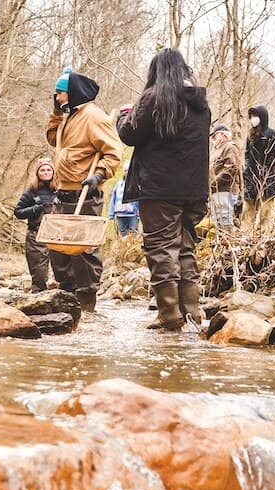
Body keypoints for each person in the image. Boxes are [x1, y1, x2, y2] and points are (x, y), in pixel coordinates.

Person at [116, 48, 211, 331]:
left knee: (161, 249)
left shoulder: (154, 98)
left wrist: (123, 116)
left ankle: (169, 314)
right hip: (194, 190)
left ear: (156, 71)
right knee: (185, 248)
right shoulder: (201, 103)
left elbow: (129, 134)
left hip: (159, 189)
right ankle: (191, 313)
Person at [47, 67, 123, 312]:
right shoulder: (68, 115)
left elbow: (114, 152)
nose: (57, 97)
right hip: (63, 192)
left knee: (84, 250)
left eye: (60, 93)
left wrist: (99, 175)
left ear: (72, 92)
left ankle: (86, 303)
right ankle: (66, 298)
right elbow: (53, 140)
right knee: (58, 247)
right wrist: (56, 113)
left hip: (85, 194)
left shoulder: (94, 116)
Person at [14, 157, 56, 292]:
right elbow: (18, 212)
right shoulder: (31, 192)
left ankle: (65, 296)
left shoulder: (60, 191)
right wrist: (34, 210)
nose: (46, 172)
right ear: (37, 173)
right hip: (36, 236)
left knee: (63, 269)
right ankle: (38, 295)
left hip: (57, 236)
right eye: (42, 170)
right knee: (39, 271)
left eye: (48, 169)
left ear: (53, 172)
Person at [242, 105, 275, 230]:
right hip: (251, 176)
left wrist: (265, 170)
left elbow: (274, 156)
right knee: (248, 208)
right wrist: (247, 170)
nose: (253, 119)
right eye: (252, 116)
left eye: (256, 116)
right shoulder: (250, 135)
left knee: (266, 209)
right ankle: (245, 232)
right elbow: (247, 154)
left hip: (268, 177)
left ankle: (263, 232)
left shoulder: (274, 135)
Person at [208, 124, 242, 228]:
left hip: (226, 190)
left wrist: (214, 182)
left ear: (223, 135)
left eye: (215, 135)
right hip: (215, 191)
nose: (212, 138)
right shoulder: (216, 150)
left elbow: (231, 169)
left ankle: (228, 238)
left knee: (225, 220)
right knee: (218, 221)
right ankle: (222, 238)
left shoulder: (230, 147)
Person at [108, 160, 139, 235]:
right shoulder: (118, 185)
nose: (127, 172)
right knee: (122, 233)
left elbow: (139, 200)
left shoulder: (136, 185)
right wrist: (111, 214)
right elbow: (113, 199)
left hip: (132, 214)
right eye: (125, 170)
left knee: (133, 233)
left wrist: (139, 214)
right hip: (120, 214)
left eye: (128, 170)